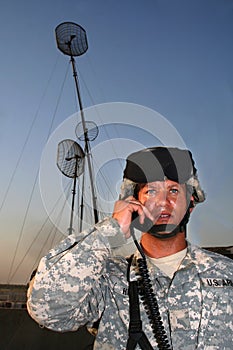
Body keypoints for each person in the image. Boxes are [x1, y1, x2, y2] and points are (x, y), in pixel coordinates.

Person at [27, 146, 233, 350]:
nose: (163, 202)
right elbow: (47, 310)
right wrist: (110, 231)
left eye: (173, 190)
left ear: (191, 202)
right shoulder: (108, 278)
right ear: (132, 202)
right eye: (151, 191)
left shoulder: (226, 273)